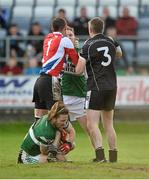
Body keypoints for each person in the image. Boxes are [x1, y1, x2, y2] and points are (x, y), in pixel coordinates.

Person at [80, 17, 122, 162]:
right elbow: (119, 53)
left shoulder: (88, 45)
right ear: (102, 29)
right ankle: (113, 156)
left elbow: (79, 69)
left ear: (90, 29)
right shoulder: (111, 40)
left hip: (96, 86)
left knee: (92, 124)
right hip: (112, 86)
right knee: (109, 124)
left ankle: (100, 156)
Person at [32, 17, 85, 122]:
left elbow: (55, 54)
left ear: (52, 28)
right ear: (65, 28)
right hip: (52, 81)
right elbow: (76, 61)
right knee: (58, 118)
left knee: (38, 119)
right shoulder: (65, 40)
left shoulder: (48, 38)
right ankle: (60, 138)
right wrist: (76, 49)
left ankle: (34, 138)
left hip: (39, 81)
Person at [61, 26, 88, 132]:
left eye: (70, 35)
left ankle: (99, 148)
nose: (68, 37)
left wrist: (62, 68)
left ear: (75, 38)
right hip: (62, 97)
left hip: (78, 96)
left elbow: (79, 71)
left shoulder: (80, 53)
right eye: (66, 36)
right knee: (56, 129)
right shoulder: (58, 53)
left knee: (89, 129)